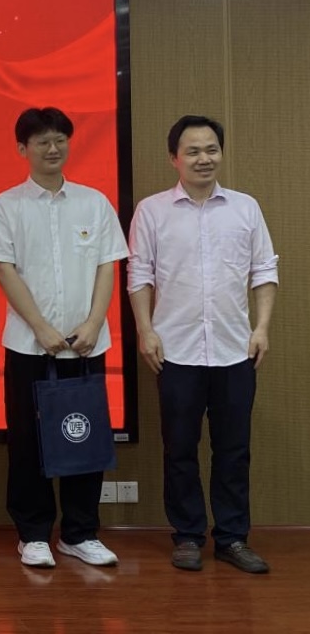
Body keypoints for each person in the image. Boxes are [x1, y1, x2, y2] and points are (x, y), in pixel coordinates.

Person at [128, 115, 277, 575]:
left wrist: (262, 328)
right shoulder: (152, 211)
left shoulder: (245, 208)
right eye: (192, 151)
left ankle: (232, 537)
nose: (203, 158)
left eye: (211, 149)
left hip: (235, 349)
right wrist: (145, 330)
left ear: (221, 153)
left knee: (234, 450)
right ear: (174, 158)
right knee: (180, 449)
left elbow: (264, 271)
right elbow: (139, 274)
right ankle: (188, 535)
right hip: (176, 350)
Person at [0, 107, 127, 569]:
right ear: (22, 148)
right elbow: (4, 270)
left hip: (86, 344)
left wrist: (95, 322)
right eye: (42, 141)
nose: (52, 148)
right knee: (28, 441)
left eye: (60, 139)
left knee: (85, 437)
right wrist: (41, 328)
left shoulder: (94, 203)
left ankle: (80, 533)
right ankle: (34, 533)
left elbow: (107, 265)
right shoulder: (5, 206)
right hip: (29, 346)